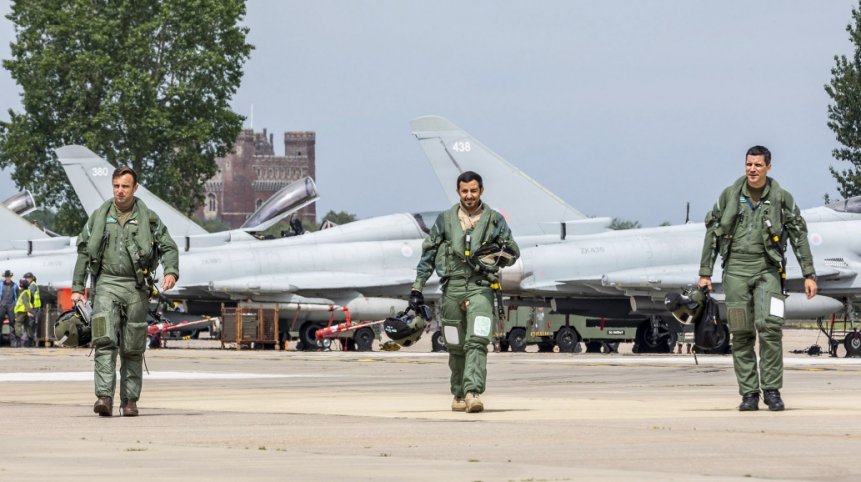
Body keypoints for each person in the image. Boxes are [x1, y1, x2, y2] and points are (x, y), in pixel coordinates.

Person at [699, 145, 816, 412]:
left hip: (768, 270)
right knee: (741, 332)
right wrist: (705, 272)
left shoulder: (781, 198)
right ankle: (749, 393)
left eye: (758, 165)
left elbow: (798, 235)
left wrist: (809, 274)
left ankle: (772, 391)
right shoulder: (729, 196)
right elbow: (713, 234)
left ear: (768, 168)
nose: (752, 169)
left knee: (770, 329)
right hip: (736, 270)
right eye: (749, 164)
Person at [71, 166, 179, 417]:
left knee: (133, 347)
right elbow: (84, 251)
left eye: (125, 186)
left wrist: (171, 271)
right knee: (104, 341)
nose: (120, 191)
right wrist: (78, 287)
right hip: (106, 285)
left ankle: (129, 400)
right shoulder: (99, 216)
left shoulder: (149, 219)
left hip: (135, 288)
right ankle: (104, 398)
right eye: (116, 186)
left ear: (135, 188)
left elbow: (168, 246)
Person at [410, 171, 520, 413]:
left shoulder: (494, 220)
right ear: (458, 192)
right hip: (452, 288)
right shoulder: (446, 220)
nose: (469, 196)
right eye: (464, 191)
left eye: (473, 191)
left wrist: (493, 256)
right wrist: (417, 288)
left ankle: (473, 392)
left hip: (481, 287)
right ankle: (458, 393)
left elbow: (512, 252)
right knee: (455, 343)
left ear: (481, 191)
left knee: (477, 340)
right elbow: (428, 254)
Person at [13, 277, 35, 347]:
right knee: (27, 326)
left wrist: (29, 311)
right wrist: (31, 308)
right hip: (25, 311)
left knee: (18, 324)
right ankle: (31, 340)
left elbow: (26, 303)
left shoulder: (23, 292)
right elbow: (32, 299)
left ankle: (18, 340)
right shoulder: (28, 291)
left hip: (21, 311)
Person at [0, 270, 18, 347]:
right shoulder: (1, 285)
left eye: (9, 276)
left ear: (11, 277)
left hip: (11, 306)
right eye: (6, 276)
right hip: (2, 305)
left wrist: (16, 307)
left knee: (12, 323)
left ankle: (13, 342)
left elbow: (16, 297)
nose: (7, 278)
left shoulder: (15, 285)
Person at [23, 272, 40, 346]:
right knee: (32, 325)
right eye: (26, 278)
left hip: (32, 308)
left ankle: (28, 342)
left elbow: (29, 297)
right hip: (34, 308)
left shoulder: (32, 286)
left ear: (32, 278)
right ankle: (31, 341)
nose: (27, 279)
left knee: (29, 324)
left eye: (29, 278)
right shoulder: (32, 285)